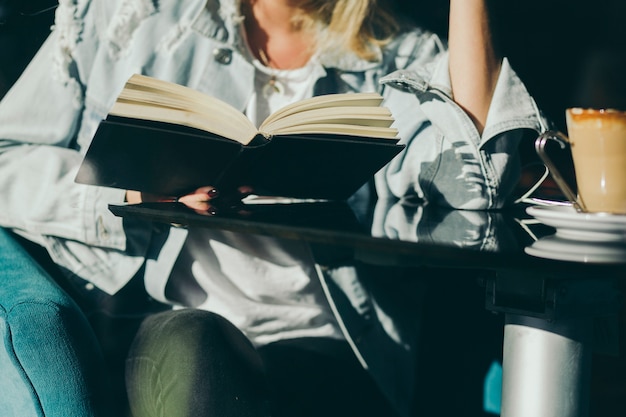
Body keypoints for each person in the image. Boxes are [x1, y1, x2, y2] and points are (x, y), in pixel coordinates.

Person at [0, 0, 544, 415]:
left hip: (326, 345)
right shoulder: (134, 19)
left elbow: (481, 187)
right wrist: (130, 195)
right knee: (200, 347)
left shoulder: (400, 57)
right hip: (165, 324)